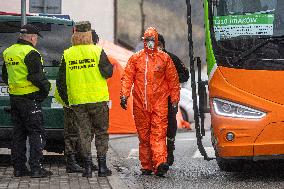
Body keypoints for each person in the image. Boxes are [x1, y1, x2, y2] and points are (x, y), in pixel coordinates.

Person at [120, 27, 180, 177]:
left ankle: (160, 163)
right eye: (147, 40)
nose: (150, 43)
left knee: (159, 134)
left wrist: (174, 99)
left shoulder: (164, 58)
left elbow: (173, 80)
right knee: (144, 136)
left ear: (157, 41)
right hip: (140, 104)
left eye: (152, 40)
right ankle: (146, 165)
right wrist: (124, 95)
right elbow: (127, 77)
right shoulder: (136, 59)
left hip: (159, 103)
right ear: (144, 41)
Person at [56, 21, 113, 178]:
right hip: (98, 99)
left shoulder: (67, 54)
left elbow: (61, 82)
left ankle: (87, 168)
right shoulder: (97, 51)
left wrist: (69, 100)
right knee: (101, 132)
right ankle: (102, 167)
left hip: (77, 102)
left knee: (83, 134)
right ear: (89, 35)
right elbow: (108, 73)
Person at [1, 24, 52, 178]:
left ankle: (19, 168)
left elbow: (5, 76)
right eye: (36, 38)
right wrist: (45, 90)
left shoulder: (8, 52)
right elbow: (37, 77)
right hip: (30, 99)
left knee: (18, 134)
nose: (36, 40)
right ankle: (36, 168)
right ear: (31, 37)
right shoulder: (31, 52)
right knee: (37, 133)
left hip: (15, 99)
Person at [157, 34, 189, 166]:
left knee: (170, 124)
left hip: (170, 98)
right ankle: (158, 155)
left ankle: (169, 149)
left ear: (162, 45)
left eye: (158, 44)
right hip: (153, 100)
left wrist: (171, 78)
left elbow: (185, 75)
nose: (155, 47)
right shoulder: (144, 59)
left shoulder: (171, 58)